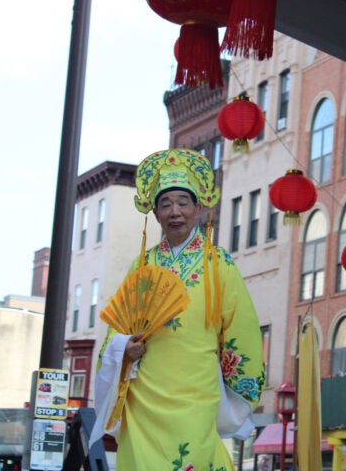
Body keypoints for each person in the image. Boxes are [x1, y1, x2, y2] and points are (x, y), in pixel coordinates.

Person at [91, 148, 265, 471]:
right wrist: (124, 347)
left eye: (183, 203)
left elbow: (243, 333)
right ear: (155, 213)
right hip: (144, 399)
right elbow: (118, 329)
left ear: (199, 208)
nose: (175, 212)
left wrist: (236, 386)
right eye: (165, 204)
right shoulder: (142, 265)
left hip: (196, 396)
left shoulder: (220, 265)